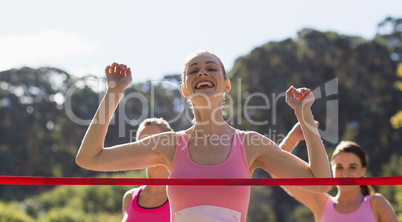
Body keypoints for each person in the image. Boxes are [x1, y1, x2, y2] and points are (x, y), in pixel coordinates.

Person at [76, 50, 332, 222]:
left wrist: (304, 114)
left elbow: (321, 183)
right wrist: (113, 93)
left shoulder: (250, 144)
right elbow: (90, 158)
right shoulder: (169, 145)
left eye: (212, 68)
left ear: (227, 85)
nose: (202, 72)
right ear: (185, 90)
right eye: (193, 71)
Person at [280, 123, 399, 222]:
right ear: (332, 169)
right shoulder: (321, 203)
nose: (345, 174)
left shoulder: (376, 203)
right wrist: (293, 137)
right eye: (339, 167)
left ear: (363, 170)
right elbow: (277, 171)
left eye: (352, 167)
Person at [122, 118, 172, 222]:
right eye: (141, 143)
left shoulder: (181, 196)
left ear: (169, 146)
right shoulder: (129, 197)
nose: (146, 149)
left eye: (153, 142)